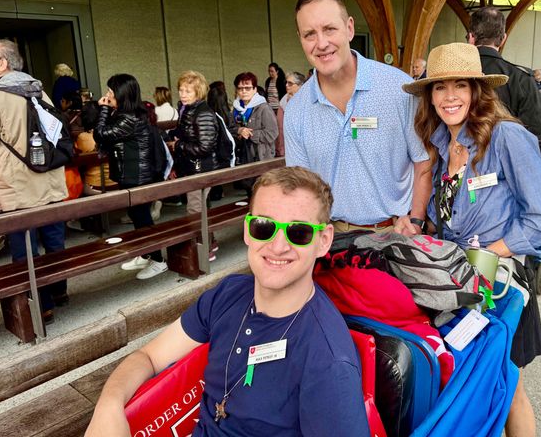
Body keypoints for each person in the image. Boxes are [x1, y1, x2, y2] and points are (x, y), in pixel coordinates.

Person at [85, 166, 370, 437]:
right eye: (264, 226)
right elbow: (147, 357)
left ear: (323, 240)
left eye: (298, 232)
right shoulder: (228, 294)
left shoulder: (329, 362)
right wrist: (108, 405)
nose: (278, 245)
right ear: (247, 230)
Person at [403, 42, 541, 437]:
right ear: (429, 96)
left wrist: (489, 254)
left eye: (461, 85)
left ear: (477, 90)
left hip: (501, 283)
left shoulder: (506, 136)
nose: (450, 96)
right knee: (479, 384)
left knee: (510, 387)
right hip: (459, 284)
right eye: (440, 87)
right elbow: (451, 219)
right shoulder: (441, 143)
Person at [284, 0, 430, 235]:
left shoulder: (398, 89)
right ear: (300, 39)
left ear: (349, 28)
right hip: (330, 238)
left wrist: (416, 221)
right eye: (310, 34)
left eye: (330, 29)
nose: (321, 43)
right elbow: (300, 186)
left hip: (393, 233)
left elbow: (423, 161)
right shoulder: (297, 110)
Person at [0, 39, 69, 323]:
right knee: (54, 239)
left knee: (24, 248)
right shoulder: (39, 90)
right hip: (50, 180)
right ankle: (60, 290)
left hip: (18, 186)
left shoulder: (0, 95)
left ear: (2, 63)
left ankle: (41, 305)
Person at [94, 73, 167, 280]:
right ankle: (145, 254)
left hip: (138, 177)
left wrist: (104, 109)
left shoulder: (129, 119)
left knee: (142, 219)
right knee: (137, 217)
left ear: (122, 94)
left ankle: (159, 261)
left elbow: (101, 134)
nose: (107, 95)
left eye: (111, 91)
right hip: (131, 174)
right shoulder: (128, 114)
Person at [468, 7, 541, 158]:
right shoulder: (522, 78)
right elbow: (540, 141)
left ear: (471, 38)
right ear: (503, 39)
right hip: (505, 164)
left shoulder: (454, 76)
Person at [170, 71, 220, 261]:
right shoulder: (189, 110)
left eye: (188, 91)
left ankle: (204, 250)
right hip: (192, 167)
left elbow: (205, 147)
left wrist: (179, 145)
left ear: (198, 92)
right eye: (181, 90)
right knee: (200, 209)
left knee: (195, 210)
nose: (182, 94)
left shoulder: (203, 113)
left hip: (201, 169)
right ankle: (210, 242)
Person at [232, 72, 278, 165]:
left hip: (261, 156)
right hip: (242, 154)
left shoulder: (263, 107)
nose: (243, 91)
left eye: (248, 88)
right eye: (240, 88)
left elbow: (272, 133)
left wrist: (249, 134)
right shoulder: (236, 108)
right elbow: (231, 129)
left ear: (254, 89)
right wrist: (239, 130)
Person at [276, 71, 305, 157]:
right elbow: (280, 128)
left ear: (300, 85)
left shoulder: (307, 101)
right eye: (286, 83)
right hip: (286, 147)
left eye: (290, 83)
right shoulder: (283, 102)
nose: (286, 85)